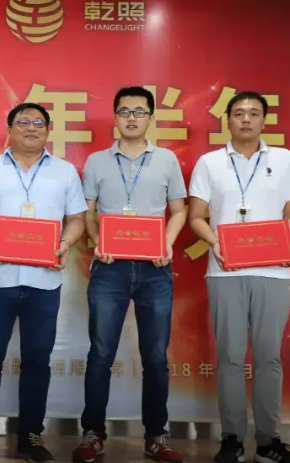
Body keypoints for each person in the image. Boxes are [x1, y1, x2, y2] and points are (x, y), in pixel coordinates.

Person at [0, 103, 88, 463]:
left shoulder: (64, 172)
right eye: (23, 122)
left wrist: (65, 243)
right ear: (9, 128)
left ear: (49, 129)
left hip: (44, 282)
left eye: (38, 122)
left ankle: (31, 435)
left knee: (37, 361)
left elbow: (77, 219)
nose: (31, 128)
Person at [188, 91, 290, 463]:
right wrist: (215, 243)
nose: (246, 119)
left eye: (254, 113)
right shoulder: (209, 163)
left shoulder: (284, 160)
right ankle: (232, 439)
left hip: (274, 272)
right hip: (225, 271)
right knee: (230, 357)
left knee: (269, 358)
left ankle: (269, 442)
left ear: (264, 121)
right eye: (239, 113)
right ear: (227, 119)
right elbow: (196, 217)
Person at [72, 87, 187, 463]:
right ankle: (93, 432)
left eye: (139, 111)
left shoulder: (167, 159)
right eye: (124, 111)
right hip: (110, 267)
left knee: (155, 356)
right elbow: (87, 212)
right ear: (115, 117)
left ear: (151, 117)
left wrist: (167, 243)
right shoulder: (96, 161)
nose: (132, 118)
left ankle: (156, 435)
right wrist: (96, 241)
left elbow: (179, 210)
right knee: (101, 353)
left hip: (155, 269)